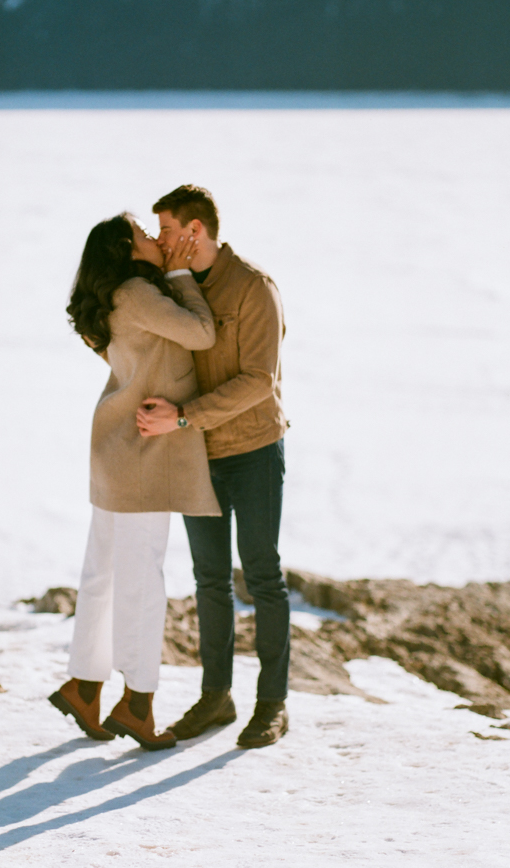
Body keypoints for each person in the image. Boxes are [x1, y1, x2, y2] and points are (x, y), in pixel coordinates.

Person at [50, 212, 220, 751]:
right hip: (143, 451)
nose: (154, 237)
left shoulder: (118, 299)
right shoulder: (141, 295)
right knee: (142, 578)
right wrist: (178, 276)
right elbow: (201, 332)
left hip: (115, 446)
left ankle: (83, 683)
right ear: (127, 249)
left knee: (103, 571)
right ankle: (139, 702)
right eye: (144, 234)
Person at [137, 185, 290, 749]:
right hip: (193, 454)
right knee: (208, 582)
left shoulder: (254, 287)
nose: (161, 240)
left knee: (262, 577)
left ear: (195, 232)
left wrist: (183, 418)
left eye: (168, 230)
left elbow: (259, 381)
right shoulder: (172, 288)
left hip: (251, 450)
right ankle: (216, 698)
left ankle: (272, 704)